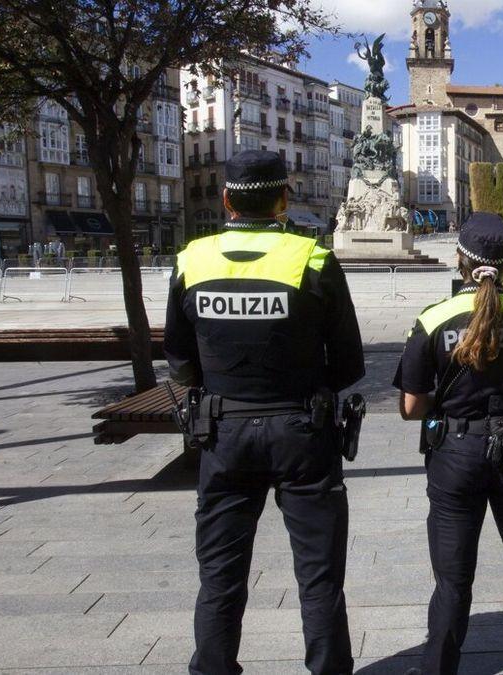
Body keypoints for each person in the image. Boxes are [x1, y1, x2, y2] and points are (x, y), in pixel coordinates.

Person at [164, 150, 365, 675]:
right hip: (303, 431)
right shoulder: (314, 259)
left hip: (222, 432)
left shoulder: (192, 260)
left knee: (220, 574)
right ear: (284, 200)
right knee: (319, 576)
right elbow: (348, 363)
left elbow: (180, 362)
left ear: (226, 199)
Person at [394, 212, 503, 675]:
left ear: (460, 261)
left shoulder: (434, 319)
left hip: (456, 455)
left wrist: (449, 407)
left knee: (452, 581)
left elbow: (412, 407)